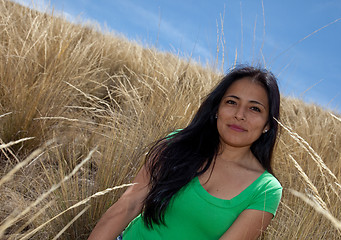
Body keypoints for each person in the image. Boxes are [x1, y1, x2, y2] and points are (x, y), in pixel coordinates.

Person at [88, 65, 282, 240]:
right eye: (231, 102)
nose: (239, 115)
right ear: (217, 109)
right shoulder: (178, 144)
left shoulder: (265, 190)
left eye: (255, 108)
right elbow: (129, 203)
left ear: (267, 124)